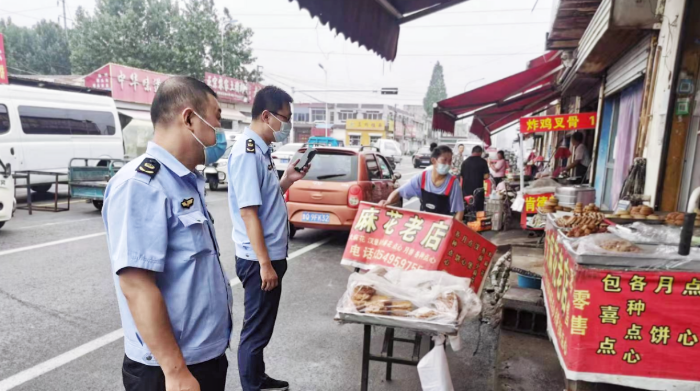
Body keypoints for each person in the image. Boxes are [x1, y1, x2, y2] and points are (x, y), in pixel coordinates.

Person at [102, 76, 232, 391]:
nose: (219, 130)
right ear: (189, 118)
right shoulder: (141, 184)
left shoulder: (185, 181)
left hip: (204, 358)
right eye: (216, 118)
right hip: (168, 370)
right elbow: (136, 284)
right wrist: (174, 371)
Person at [227, 86, 309, 391]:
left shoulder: (261, 149)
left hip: (269, 255)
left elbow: (266, 196)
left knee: (261, 326)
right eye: (284, 119)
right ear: (266, 115)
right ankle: (252, 386)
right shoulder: (248, 153)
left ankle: (258, 378)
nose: (286, 126)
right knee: (255, 331)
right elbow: (249, 213)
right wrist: (264, 263)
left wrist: (287, 179)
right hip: (259, 259)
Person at [380, 145, 464, 220]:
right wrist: (388, 201)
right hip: (424, 223)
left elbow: (459, 211)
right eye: (444, 160)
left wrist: (452, 230)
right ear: (434, 161)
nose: (447, 164)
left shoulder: (453, 183)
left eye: (449, 161)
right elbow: (399, 192)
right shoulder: (422, 177)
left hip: (443, 226)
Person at [460, 145, 490, 212]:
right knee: (478, 211)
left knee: (467, 208)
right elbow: (486, 176)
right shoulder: (483, 161)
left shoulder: (465, 162)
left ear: (472, 152)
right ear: (480, 152)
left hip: (466, 190)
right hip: (478, 190)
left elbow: (462, 176)